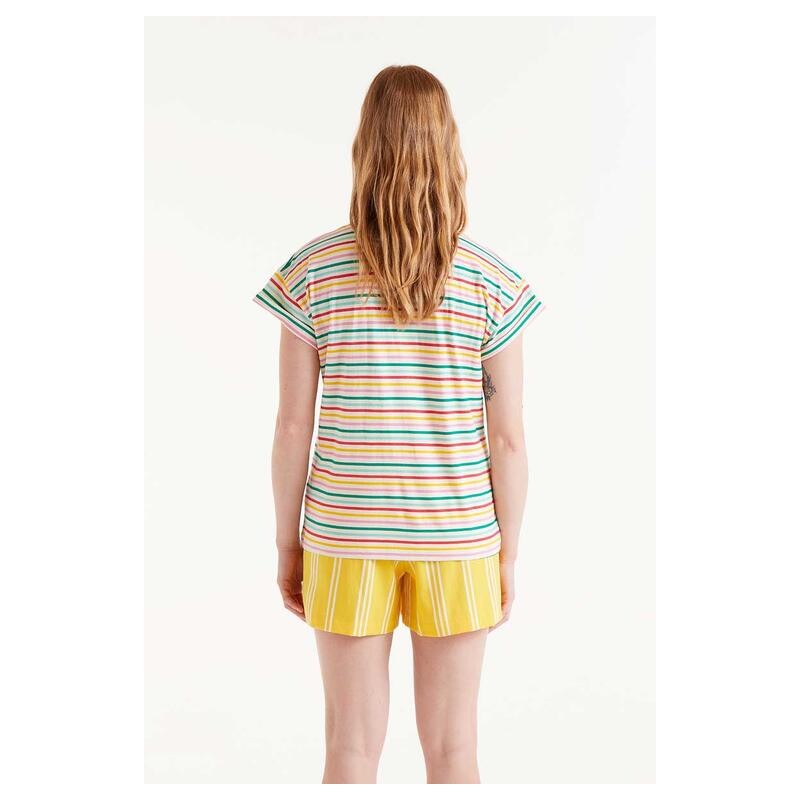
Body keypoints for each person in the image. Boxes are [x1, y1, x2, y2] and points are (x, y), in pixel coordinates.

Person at [253, 65, 545, 784]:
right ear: (449, 148)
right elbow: (508, 439)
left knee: (350, 751)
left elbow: (291, 427)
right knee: (454, 751)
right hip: (458, 537)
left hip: (345, 535)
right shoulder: (492, 284)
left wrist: (288, 544)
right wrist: (506, 554)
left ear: (365, 147)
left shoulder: (312, 273)